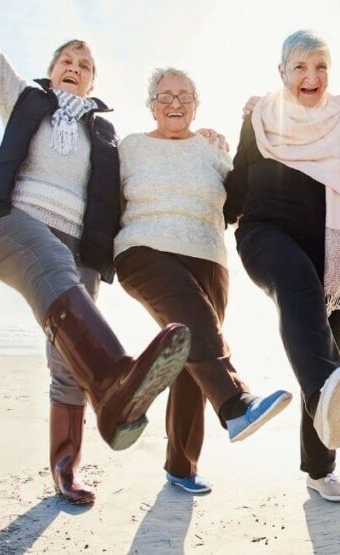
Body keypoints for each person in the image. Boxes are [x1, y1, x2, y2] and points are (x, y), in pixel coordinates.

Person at [0, 0, 190, 505]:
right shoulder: (26, 100)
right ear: (52, 68)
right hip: (12, 226)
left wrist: (197, 135)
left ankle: (66, 468)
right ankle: (117, 379)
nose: (73, 66)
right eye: (66, 59)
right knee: (53, 271)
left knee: (66, 363)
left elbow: (144, 172)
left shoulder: (105, 132)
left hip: (80, 248)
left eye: (84, 64)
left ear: (94, 80)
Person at [112, 67, 293, 494]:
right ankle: (235, 404)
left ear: (197, 103)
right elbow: (105, 198)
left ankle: (181, 467)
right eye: (164, 95)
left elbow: (237, 202)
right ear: (150, 104)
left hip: (209, 258)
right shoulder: (130, 147)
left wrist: (251, 128)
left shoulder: (212, 149)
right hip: (143, 249)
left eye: (184, 95)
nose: (174, 103)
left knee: (192, 361)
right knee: (197, 332)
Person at [225, 31, 340, 502]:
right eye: (301, 67)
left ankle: (319, 469)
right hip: (265, 234)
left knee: (329, 351)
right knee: (296, 285)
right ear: (282, 72)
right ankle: (322, 393)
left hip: (334, 255)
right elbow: (234, 187)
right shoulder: (262, 116)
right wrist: (205, 149)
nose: (312, 76)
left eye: (321, 66)